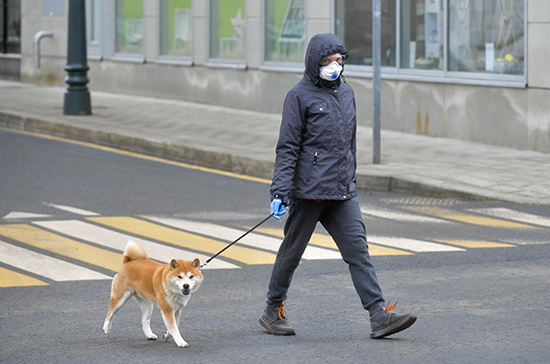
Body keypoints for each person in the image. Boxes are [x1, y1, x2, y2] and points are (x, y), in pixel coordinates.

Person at [258, 33, 417, 339]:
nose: (334, 66)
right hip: (309, 192)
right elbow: (287, 148)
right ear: (314, 63)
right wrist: (279, 192)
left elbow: (349, 144)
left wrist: (350, 178)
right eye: (327, 61)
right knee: (292, 252)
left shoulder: (347, 94)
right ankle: (272, 309)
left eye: (339, 61)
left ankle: (378, 315)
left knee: (358, 250)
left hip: (342, 191)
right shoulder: (298, 96)